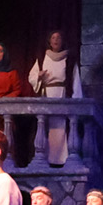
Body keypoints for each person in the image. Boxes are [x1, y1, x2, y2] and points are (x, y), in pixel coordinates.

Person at [29, 31, 82, 165]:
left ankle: (61, 159)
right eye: (53, 37)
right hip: (47, 93)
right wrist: (39, 76)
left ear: (62, 41)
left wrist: (77, 99)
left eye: (58, 37)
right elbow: (32, 76)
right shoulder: (43, 58)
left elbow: (75, 79)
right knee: (47, 126)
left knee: (61, 126)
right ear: (50, 41)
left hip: (62, 94)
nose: (56, 40)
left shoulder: (69, 59)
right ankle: (47, 157)